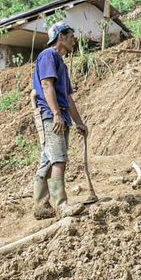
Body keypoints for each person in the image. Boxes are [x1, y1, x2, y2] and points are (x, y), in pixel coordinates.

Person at [31, 21, 88, 217]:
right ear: (61, 37)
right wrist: (55, 114)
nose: (74, 40)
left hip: (60, 114)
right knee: (59, 160)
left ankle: (41, 206)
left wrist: (78, 122)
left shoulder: (60, 63)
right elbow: (46, 85)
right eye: (71, 36)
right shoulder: (48, 56)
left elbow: (68, 97)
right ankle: (61, 206)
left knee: (48, 160)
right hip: (50, 114)